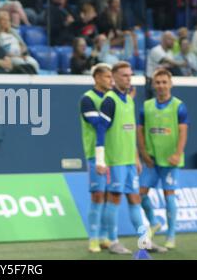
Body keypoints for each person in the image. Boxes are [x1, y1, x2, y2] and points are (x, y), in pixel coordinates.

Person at [97, 61, 166, 254]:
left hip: (129, 161)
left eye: (130, 75)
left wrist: (136, 157)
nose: (128, 78)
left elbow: (130, 132)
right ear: (115, 77)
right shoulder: (109, 100)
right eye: (124, 75)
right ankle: (112, 241)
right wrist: (101, 159)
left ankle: (145, 242)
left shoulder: (129, 100)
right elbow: (100, 130)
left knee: (135, 200)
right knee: (114, 199)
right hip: (115, 161)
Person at [138, 68, 189, 250]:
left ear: (170, 84)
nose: (161, 86)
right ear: (153, 85)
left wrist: (177, 153)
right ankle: (153, 222)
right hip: (151, 160)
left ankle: (171, 235)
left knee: (169, 197)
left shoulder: (179, 106)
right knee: (140, 194)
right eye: (157, 82)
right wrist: (143, 153)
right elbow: (140, 131)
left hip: (170, 161)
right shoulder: (146, 106)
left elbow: (183, 132)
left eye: (164, 82)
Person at [79, 63, 113, 253]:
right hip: (94, 153)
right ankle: (93, 238)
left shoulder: (111, 98)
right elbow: (99, 124)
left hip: (113, 154)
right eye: (107, 77)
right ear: (97, 78)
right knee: (98, 195)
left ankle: (105, 237)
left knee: (109, 196)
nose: (110, 80)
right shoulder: (88, 99)